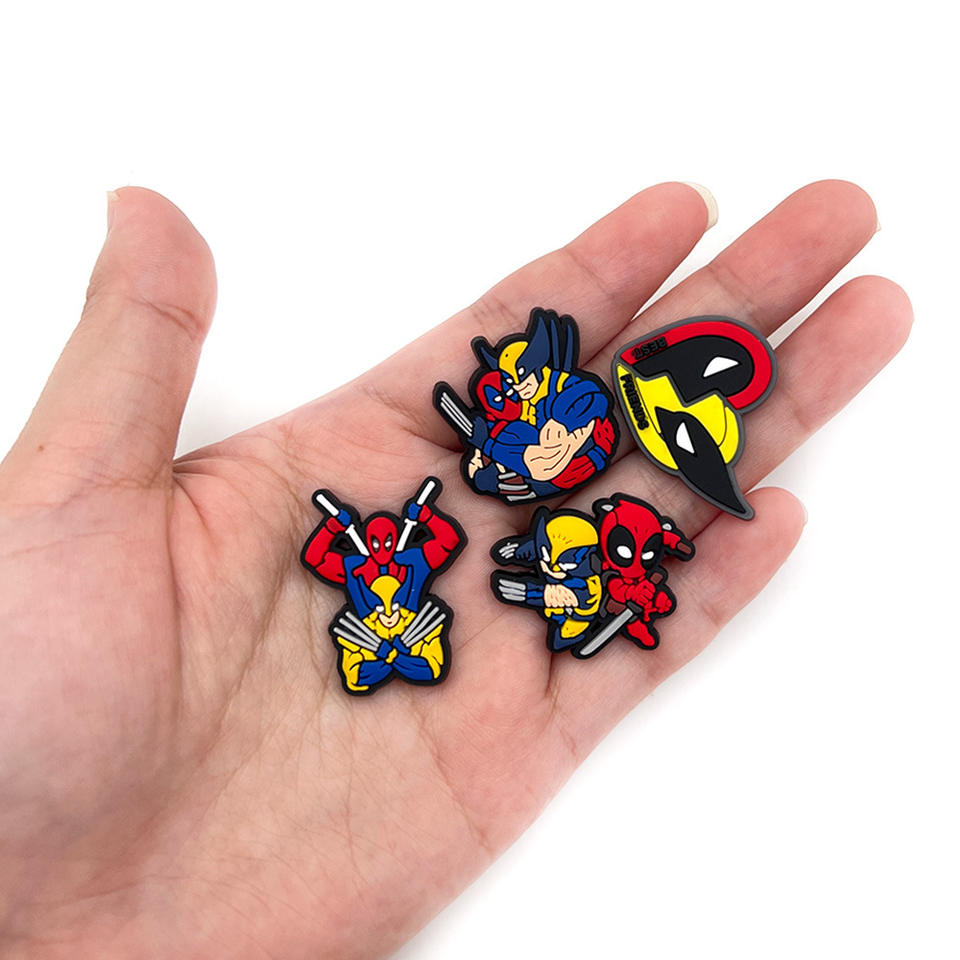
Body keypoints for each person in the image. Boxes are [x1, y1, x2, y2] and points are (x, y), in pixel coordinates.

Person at [0, 181, 909, 957]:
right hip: (436, 608)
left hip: (524, 568)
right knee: (477, 592)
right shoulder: (422, 523)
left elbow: (486, 517)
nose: (529, 417)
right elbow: (407, 537)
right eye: (517, 406)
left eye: (533, 405)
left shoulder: (554, 451)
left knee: (520, 576)